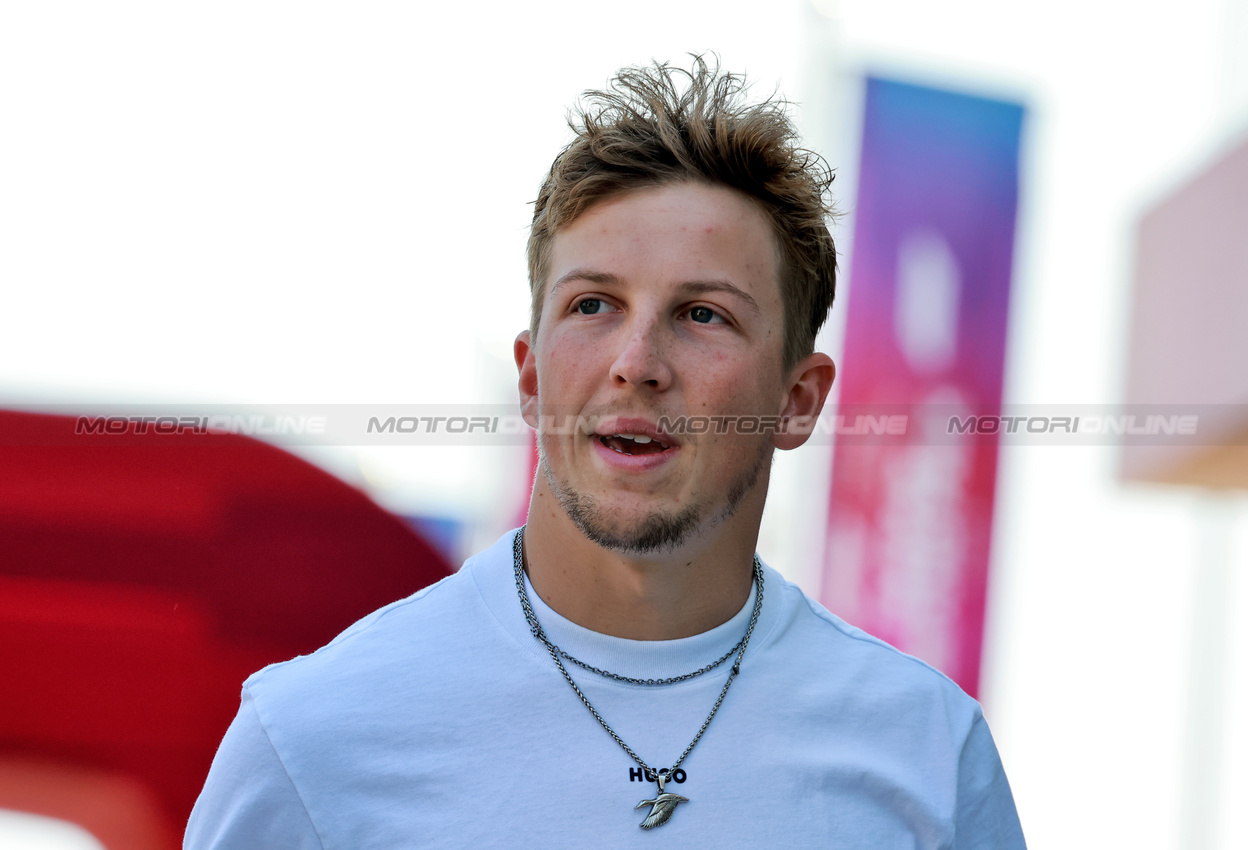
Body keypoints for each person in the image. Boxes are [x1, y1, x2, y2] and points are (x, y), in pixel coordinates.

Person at [185, 57, 1026, 848]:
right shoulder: (312, 737)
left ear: (796, 400)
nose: (636, 363)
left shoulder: (927, 751)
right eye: (593, 305)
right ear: (530, 375)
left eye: (703, 314)